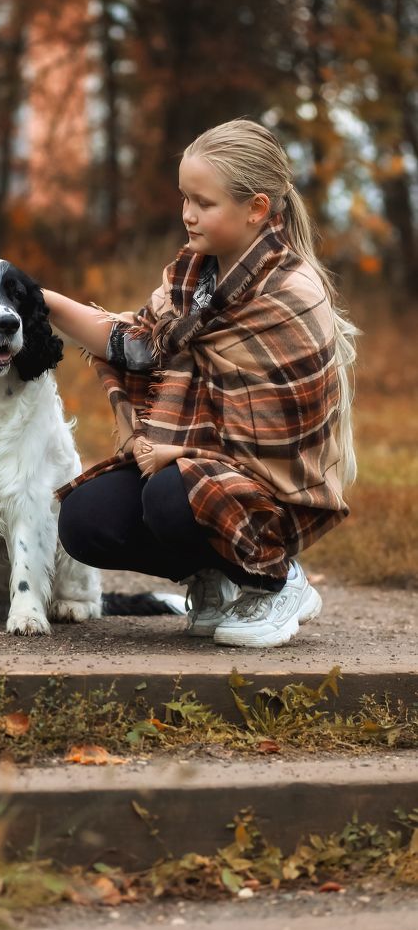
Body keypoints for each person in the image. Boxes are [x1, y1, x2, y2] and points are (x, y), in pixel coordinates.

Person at [42, 118, 357, 648]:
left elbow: (272, 444)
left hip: (276, 492)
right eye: (184, 198)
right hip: (202, 468)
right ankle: (214, 575)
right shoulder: (193, 275)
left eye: (203, 203)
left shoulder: (290, 294)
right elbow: (136, 343)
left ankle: (277, 580)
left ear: (257, 208)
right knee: (84, 521)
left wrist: (177, 450)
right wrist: (40, 299)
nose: (187, 215)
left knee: (173, 494)